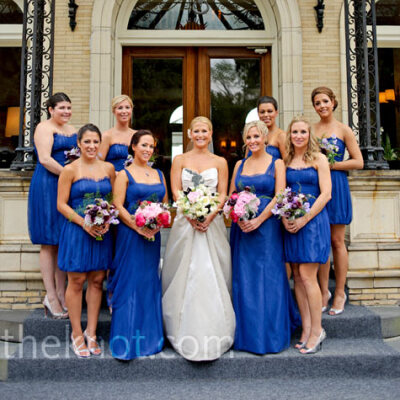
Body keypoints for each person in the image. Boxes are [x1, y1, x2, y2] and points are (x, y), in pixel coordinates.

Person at [162, 116, 235, 361]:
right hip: (186, 221)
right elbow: (175, 190)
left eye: (205, 131)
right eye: (197, 131)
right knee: (184, 269)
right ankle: (179, 325)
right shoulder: (180, 160)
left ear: (211, 133)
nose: (201, 135)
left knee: (212, 270)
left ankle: (217, 326)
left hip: (212, 222)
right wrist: (191, 213)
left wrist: (210, 214)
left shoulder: (221, 162)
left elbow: (223, 193)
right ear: (190, 134)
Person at [229, 120, 300, 354]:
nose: (253, 141)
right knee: (245, 279)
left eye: (256, 137)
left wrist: (259, 220)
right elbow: (232, 195)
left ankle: (271, 335)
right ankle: (248, 336)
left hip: (267, 229)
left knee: (269, 278)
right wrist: (238, 217)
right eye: (249, 138)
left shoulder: (277, 163)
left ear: (265, 138)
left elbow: (280, 196)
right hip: (242, 230)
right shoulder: (239, 164)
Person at [109, 130, 168, 360]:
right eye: (143, 145)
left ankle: (150, 340)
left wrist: (158, 223)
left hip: (152, 236)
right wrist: (136, 225)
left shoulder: (160, 174)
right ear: (133, 146)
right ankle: (126, 340)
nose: (147, 150)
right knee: (129, 281)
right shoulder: (124, 174)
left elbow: (165, 205)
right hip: (131, 234)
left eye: (151, 146)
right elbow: (117, 205)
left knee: (148, 281)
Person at [57, 124, 115, 358]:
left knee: (97, 279)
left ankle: (92, 332)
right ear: (79, 144)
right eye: (87, 142)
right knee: (77, 279)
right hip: (77, 230)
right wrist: (84, 223)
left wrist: (107, 220)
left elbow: (112, 199)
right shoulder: (69, 170)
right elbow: (61, 204)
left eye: (95, 142)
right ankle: (77, 333)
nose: (91, 146)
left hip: (102, 230)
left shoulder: (109, 168)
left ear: (100, 144)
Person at [311, 87, 363, 315]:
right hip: (317, 187)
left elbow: (358, 162)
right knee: (321, 240)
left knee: (337, 240)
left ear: (333, 102)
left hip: (337, 184)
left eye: (325, 101)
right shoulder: (311, 130)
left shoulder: (343, 130)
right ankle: (324, 291)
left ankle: (340, 291)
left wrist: (332, 165)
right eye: (317, 103)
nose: (321, 106)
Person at [282, 117, 331, 354]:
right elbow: (282, 192)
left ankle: (317, 330)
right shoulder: (287, 160)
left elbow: (326, 194)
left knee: (307, 274)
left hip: (312, 222)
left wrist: (305, 218)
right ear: (290, 135)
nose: (298, 135)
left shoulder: (319, 159)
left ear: (309, 134)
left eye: (303, 131)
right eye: (295, 132)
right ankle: (306, 327)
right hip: (292, 223)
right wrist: (286, 217)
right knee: (297, 278)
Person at [28, 92, 77, 319]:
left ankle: (60, 292)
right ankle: (50, 295)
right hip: (48, 185)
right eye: (61, 108)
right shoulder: (44, 128)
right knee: (48, 241)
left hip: (66, 188)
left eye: (68, 107)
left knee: (62, 239)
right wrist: (69, 174)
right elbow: (45, 159)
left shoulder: (73, 130)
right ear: (51, 109)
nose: (66, 112)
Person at [98, 95, 137, 172]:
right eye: (120, 108)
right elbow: (99, 163)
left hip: (133, 181)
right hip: (113, 180)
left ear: (131, 110)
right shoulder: (107, 136)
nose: (124, 111)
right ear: (113, 111)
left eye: (127, 107)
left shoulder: (137, 136)